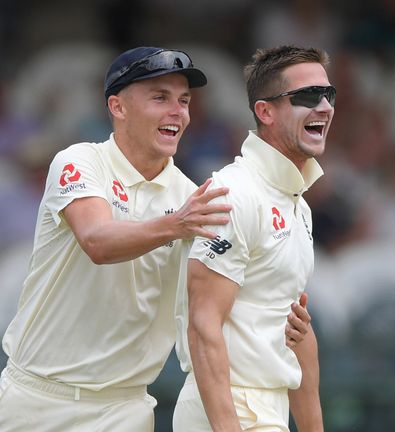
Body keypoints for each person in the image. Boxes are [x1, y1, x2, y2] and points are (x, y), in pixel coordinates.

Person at [0, 47, 231, 431]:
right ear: (118, 107)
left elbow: (207, 309)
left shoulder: (190, 198)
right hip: (34, 399)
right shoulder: (79, 161)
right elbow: (98, 242)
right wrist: (177, 223)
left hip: (122, 410)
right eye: (160, 97)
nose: (178, 112)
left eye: (184, 101)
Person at [172, 45, 331, 432]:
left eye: (329, 95)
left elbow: (295, 332)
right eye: (308, 96)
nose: (325, 106)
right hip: (230, 406)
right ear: (265, 112)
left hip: (266, 406)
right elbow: (203, 325)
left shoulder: (298, 206)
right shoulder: (234, 193)